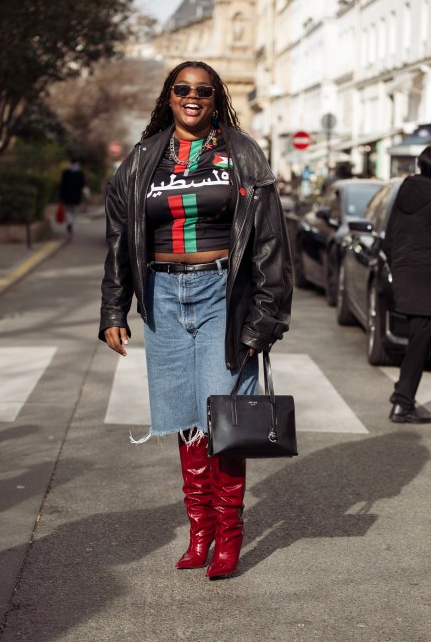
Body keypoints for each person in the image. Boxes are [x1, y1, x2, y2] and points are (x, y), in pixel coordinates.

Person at [99, 61, 293, 579]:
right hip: (162, 295)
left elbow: (271, 239)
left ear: (215, 98)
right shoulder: (143, 159)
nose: (192, 97)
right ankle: (199, 530)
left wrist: (264, 318)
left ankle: (228, 533)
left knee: (221, 416)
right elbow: (121, 238)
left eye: (203, 90)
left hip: (221, 296)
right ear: (169, 97)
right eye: (182, 89)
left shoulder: (241, 152)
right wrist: (113, 308)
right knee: (188, 421)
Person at [383, 145, 431, 424]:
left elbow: (390, 235)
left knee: (419, 339)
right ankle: (402, 404)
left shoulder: (404, 190)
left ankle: (402, 394)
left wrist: (397, 266)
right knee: (420, 342)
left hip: (406, 272)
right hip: (425, 275)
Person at [59, 157, 86, 234]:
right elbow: (82, 185)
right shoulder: (80, 174)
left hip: (67, 196)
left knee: (68, 210)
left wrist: (61, 196)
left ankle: (69, 222)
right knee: (75, 212)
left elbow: (62, 185)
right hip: (76, 196)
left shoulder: (65, 173)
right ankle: (73, 226)